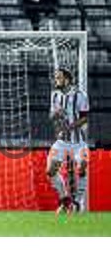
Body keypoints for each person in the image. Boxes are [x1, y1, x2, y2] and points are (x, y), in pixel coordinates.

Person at [47, 68, 89, 213]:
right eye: (55, 78)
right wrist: (56, 113)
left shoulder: (80, 95)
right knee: (51, 170)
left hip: (78, 141)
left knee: (82, 165)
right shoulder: (54, 95)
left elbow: (84, 117)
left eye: (59, 78)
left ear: (67, 79)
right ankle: (65, 200)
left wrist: (69, 128)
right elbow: (51, 117)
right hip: (61, 141)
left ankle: (78, 202)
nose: (56, 80)